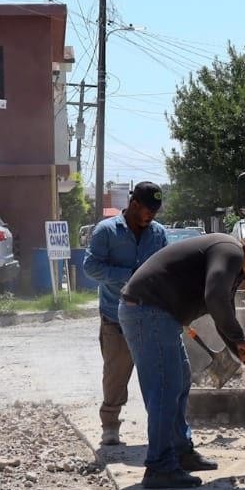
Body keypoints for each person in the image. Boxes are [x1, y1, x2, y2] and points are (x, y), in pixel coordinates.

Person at [118, 231, 245, 488]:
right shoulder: (231, 252)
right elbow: (215, 299)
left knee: (179, 381)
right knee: (164, 388)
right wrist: (241, 340)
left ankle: (180, 451)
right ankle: (159, 466)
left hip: (156, 314)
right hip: (148, 311)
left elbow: (225, 320)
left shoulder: (228, 262)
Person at [83, 181, 169, 446]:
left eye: (155, 211)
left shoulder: (158, 234)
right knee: (116, 374)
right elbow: (90, 266)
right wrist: (128, 277)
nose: (151, 216)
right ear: (134, 205)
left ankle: (162, 429)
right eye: (147, 210)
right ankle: (110, 424)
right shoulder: (107, 231)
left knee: (159, 375)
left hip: (151, 317)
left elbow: (166, 267)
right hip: (115, 317)